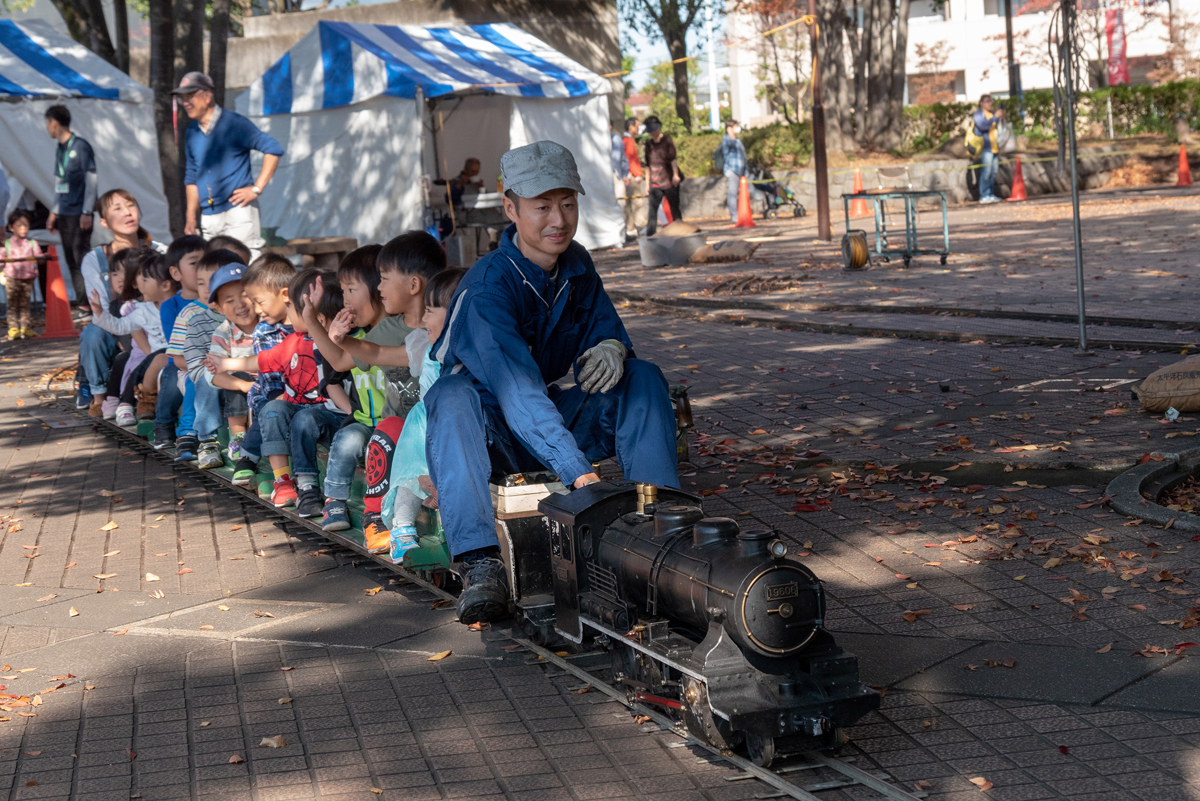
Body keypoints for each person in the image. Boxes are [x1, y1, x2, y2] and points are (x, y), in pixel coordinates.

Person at [426, 140, 681, 625]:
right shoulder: (487, 287)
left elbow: (607, 331)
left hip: (544, 420)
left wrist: (613, 347)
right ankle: (481, 564)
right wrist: (579, 474)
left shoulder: (577, 266)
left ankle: (661, 523)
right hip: (486, 436)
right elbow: (515, 389)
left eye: (568, 203)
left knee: (642, 376)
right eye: (542, 206)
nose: (558, 219)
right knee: (452, 396)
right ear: (511, 209)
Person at [304, 233, 440, 543]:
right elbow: (341, 361)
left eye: (383, 279)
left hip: (432, 425)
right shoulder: (388, 330)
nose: (379, 288)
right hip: (399, 427)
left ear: (414, 285)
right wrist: (315, 324)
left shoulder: (439, 327)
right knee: (389, 428)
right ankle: (375, 517)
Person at [380, 267, 466, 562]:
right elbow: (378, 355)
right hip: (425, 423)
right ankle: (401, 528)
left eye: (431, 311)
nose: (424, 319)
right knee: (410, 471)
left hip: (456, 426)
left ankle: (454, 533)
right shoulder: (425, 347)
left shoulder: (473, 351)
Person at [176, 72, 284, 259]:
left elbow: (273, 149)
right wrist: (191, 216)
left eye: (189, 96)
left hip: (238, 212)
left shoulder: (234, 123)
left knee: (243, 266)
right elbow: (192, 176)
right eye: (181, 98)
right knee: (215, 270)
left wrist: (256, 189)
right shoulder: (192, 131)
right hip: (208, 215)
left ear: (207, 96)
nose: (185, 103)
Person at [77, 190, 163, 415]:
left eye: (130, 205)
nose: (127, 213)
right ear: (104, 222)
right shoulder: (95, 258)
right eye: (117, 209)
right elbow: (102, 308)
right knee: (92, 333)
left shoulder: (159, 251)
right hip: (116, 320)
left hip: (155, 321)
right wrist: (125, 336)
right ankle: (98, 393)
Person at [43, 105, 96, 308]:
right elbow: (59, 181)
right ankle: (83, 304)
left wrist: (88, 211)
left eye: (47, 123)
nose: (47, 128)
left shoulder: (81, 146)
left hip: (79, 212)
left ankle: (94, 303)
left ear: (54, 123)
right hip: (64, 211)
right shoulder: (60, 148)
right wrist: (53, 211)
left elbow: (91, 179)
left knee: (82, 258)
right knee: (71, 260)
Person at [4, 210, 43, 340]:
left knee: (25, 304)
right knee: (12, 304)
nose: (23, 228)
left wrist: (43, 258)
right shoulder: (7, 243)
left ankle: (25, 327)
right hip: (11, 278)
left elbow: (39, 256)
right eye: (19, 225)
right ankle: (13, 328)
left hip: (27, 278)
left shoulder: (32, 243)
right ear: (11, 227)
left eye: (25, 225)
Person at [641, 116, 682, 236]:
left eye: (653, 130)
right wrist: (647, 183)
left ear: (658, 128)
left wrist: (675, 175)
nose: (652, 133)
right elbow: (647, 165)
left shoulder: (667, 140)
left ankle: (681, 234)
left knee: (675, 210)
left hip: (669, 181)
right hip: (655, 183)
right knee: (652, 212)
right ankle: (650, 236)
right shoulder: (648, 144)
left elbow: (673, 159)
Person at [974, 95, 1005, 204]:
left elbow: (998, 126)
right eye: (987, 101)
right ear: (981, 103)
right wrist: (994, 117)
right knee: (986, 172)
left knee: (993, 172)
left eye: (990, 101)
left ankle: (990, 194)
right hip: (986, 147)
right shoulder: (978, 114)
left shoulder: (992, 114)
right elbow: (983, 126)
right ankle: (984, 195)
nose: (989, 103)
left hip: (995, 147)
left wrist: (1000, 117)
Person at [720, 120, 749, 222]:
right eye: (735, 127)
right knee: (732, 192)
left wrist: (746, 170)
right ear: (729, 128)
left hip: (740, 170)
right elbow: (725, 153)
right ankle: (734, 215)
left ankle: (742, 213)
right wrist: (730, 135)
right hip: (732, 170)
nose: (737, 129)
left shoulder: (738, 141)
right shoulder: (726, 140)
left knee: (741, 193)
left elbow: (744, 156)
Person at [621, 118, 643, 239]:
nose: (638, 129)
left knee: (629, 203)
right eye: (637, 126)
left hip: (627, 176)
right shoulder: (628, 141)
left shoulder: (624, 140)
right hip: (632, 176)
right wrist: (637, 174)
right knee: (637, 201)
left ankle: (630, 228)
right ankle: (640, 226)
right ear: (631, 127)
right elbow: (630, 159)